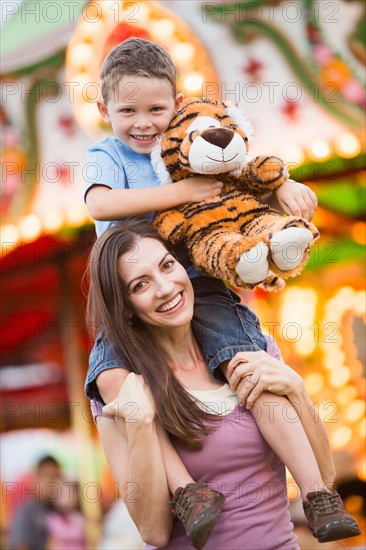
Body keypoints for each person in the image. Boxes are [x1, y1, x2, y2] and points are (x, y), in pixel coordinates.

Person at [83, 38, 360, 547]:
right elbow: (102, 203)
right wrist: (182, 193)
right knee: (117, 381)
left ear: (177, 104)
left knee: (248, 367)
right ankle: (187, 492)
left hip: (205, 279)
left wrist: (281, 189)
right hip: (118, 306)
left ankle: (318, 493)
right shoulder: (107, 156)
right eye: (128, 111)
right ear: (103, 110)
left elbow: (237, 172)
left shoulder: (184, 143)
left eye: (156, 109)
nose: (144, 123)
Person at [85, 220, 360, 549]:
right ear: (125, 308)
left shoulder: (251, 348)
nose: (165, 287)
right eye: (140, 285)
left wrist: (297, 390)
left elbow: (324, 478)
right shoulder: (122, 393)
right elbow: (153, 532)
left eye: (167, 265)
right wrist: (142, 425)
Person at [9, 455, 62, 550]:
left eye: (56, 476)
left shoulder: (59, 509)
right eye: (47, 476)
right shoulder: (25, 512)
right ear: (35, 479)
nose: (52, 482)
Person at [46, 481, 87, 550]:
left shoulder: (79, 516)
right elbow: (59, 533)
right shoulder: (54, 518)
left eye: (71, 493)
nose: (68, 497)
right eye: (63, 495)